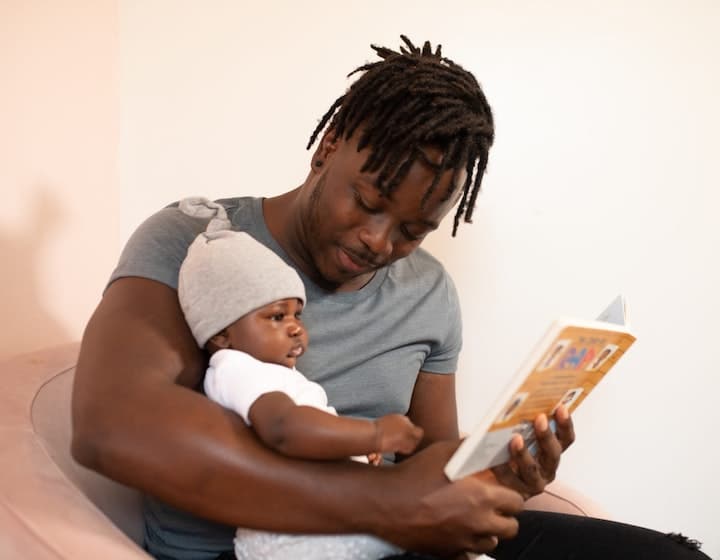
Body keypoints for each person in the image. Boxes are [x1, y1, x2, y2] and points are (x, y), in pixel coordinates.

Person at [72, 36, 711, 560]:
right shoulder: (199, 240)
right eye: (369, 202)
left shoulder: (429, 292)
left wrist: (503, 474)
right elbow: (111, 424)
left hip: (386, 540)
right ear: (327, 149)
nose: (378, 241)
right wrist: (387, 503)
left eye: (413, 229)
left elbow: (431, 454)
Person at [176, 196, 422, 559]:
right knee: (429, 528)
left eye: (298, 315)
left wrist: (354, 448)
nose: (295, 328)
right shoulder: (235, 369)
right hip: (287, 538)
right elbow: (284, 427)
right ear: (220, 334)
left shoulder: (272, 374)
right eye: (277, 317)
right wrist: (372, 433)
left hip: (308, 524)